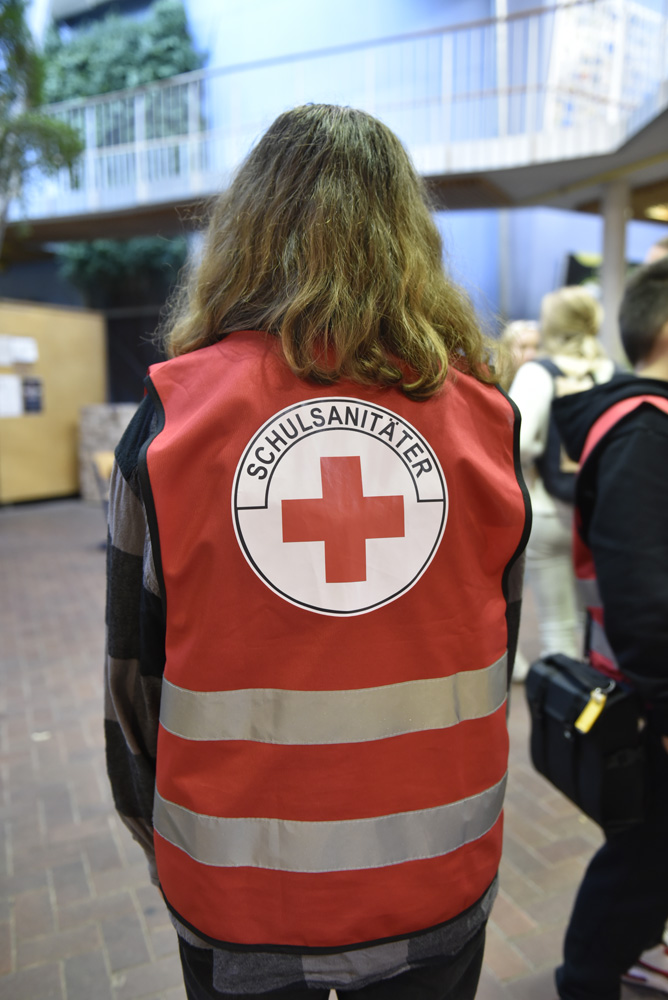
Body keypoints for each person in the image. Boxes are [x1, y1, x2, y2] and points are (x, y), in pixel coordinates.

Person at [104, 104, 530, 1000]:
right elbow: (500, 647)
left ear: (245, 232)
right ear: (409, 235)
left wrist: (159, 834)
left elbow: (132, 673)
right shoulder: (485, 420)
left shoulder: (174, 421)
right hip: (437, 866)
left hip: (237, 882)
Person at [552, 255, 668, 1000]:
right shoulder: (645, 432)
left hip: (645, 688)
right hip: (649, 698)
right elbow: (643, 594)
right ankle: (588, 980)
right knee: (644, 857)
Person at [508, 287, 615, 664]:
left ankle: (566, 697)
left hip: (549, 510)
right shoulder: (611, 372)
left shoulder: (539, 373)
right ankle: (601, 692)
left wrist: (540, 450)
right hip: (599, 514)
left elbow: (516, 440)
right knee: (599, 623)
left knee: (558, 626)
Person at [497, 319, 541, 392]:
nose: (532, 354)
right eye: (523, 347)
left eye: (537, 347)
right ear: (507, 351)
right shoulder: (496, 386)